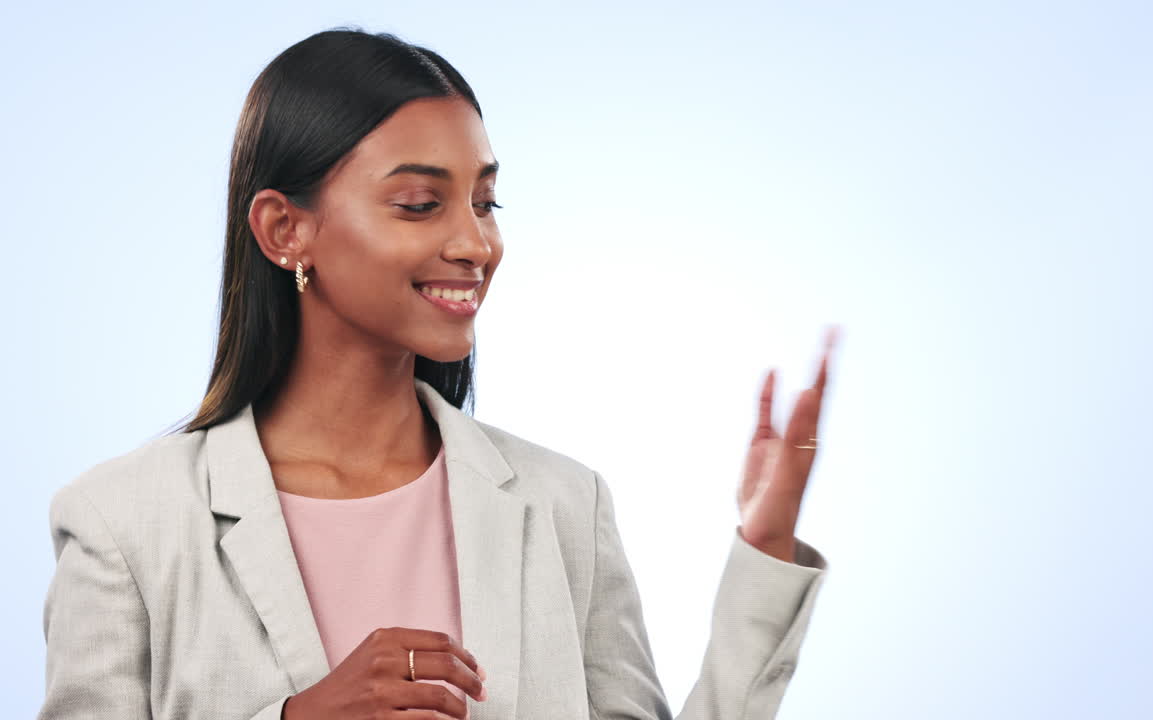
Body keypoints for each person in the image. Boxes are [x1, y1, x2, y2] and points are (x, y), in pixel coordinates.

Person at [37, 27, 836, 720]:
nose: (475, 244)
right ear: (285, 229)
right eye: (422, 204)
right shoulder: (126, 526)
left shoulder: (564, 507)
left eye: (486, 203)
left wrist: (763, 550)